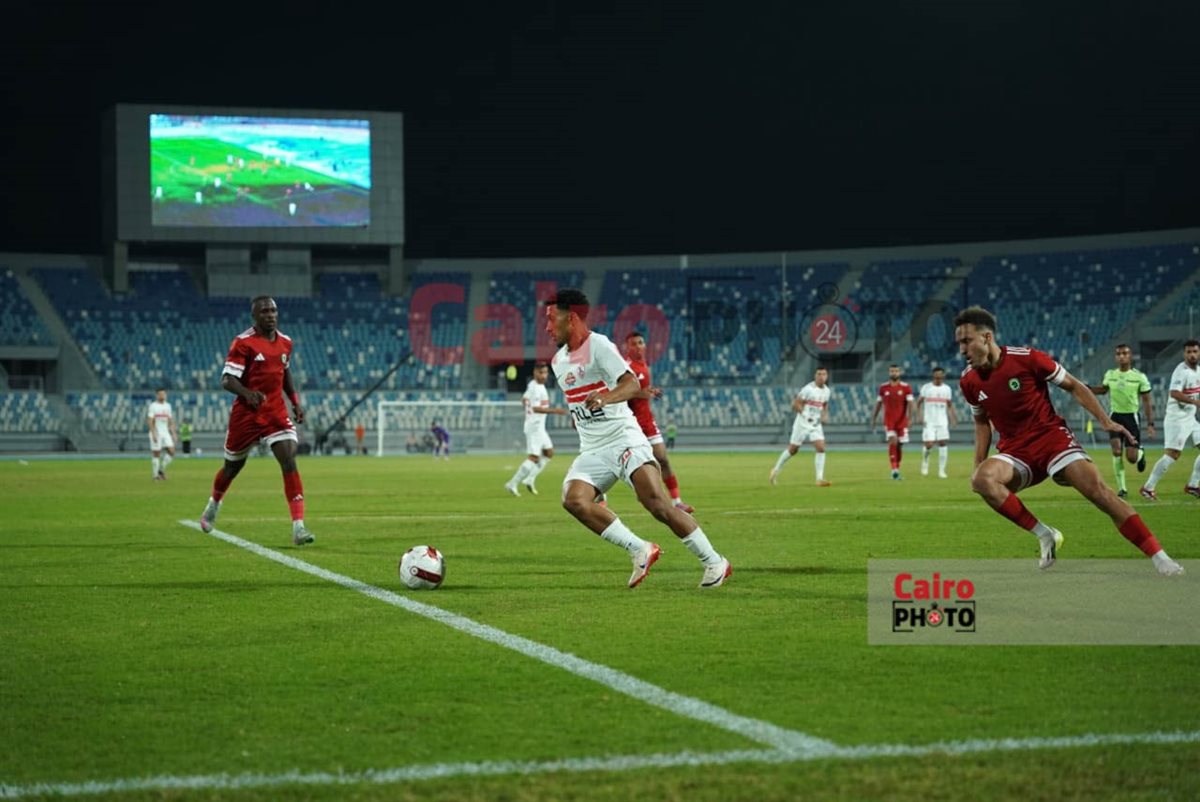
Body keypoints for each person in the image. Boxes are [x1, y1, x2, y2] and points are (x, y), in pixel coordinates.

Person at [954, 306, 1182, 575]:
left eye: (967, 341)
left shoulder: (1027, 358)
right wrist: (979, 464)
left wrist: (1105, 420)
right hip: (1016, 450)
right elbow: (982, 423)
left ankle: (1159, 556)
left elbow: (1074, 385)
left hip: (1051, 438)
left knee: (1099, 492)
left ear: (987, 337)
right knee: (982, 480)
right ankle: (1045, 534)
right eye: (959, 343)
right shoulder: (968, 381)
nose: (962, 350)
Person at [544, 288, 731, 588]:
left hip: (624, 439)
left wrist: (605, 398)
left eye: (552, 319)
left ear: (573, 318)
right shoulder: (557, 362)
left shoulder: (599, 346)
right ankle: (640, 548)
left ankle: (715, 562)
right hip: (592, 449)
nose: (547, 327)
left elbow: (630, 384)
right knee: (573, 500)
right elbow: (579, 404)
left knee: (658, 505)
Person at [198, 296, 315, 546]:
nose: (270, 315)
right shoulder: (244, 343)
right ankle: (213, 504)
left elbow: (285, 373)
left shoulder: (286, 342)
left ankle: (299, 527)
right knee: (232, 468)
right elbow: (227, 379)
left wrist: (295, 402)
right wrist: (247, 393)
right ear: (255, 316)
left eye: (273, 310)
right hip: (247, 414)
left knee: (289, 459)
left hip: (275, 411)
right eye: (264, 311)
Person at [623, 331, 694, 513]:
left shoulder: (643, 365)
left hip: (647, 420)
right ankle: (602, 497)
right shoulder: (626, 368)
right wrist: (643, 393)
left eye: (641, 343)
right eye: (634, 344)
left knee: (663, 459)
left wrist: (649, 391)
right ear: (627, 347)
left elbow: (640, 391)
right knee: (632, 464)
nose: (638, 347)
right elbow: (622, 393)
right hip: (631, 423)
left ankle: (677, 501)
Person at [1088, 344, 1155, 498]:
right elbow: (1103, 390)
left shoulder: (1139, 377)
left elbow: (1146, 401)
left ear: (1130, 356)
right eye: (1118, 354)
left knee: (1131, 458)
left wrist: (1150, 424)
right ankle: (1122, 489)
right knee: (1116, 451)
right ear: (1115, 357)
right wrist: (1086, 388)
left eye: (1125, 353)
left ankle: (1140, 454)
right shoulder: (1110, 374)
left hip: (1131, 418)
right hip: (1115, 417)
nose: (1121, 356)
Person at [1140, 339, 1200, 500]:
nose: (1192, 355)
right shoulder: (1181, 371)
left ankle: (1193, 485)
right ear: (1184, 354)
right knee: (1172, 455)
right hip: (1177, 419)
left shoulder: (1198, 371)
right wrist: (1195, 402)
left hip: (1191, 418)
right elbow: (1174, 393)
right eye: (1189, 352)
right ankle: (1148, 487)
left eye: (1195, 351)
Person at [505, 363, 567, 496]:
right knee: (533, 457)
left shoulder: (534, 385)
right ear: (535, 372)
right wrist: (554, 411)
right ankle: (512, 483)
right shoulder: (536, 388)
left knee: (549, 453)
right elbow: (535, 408)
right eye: (541, 373)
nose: (544, 375)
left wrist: (527, 404)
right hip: (534, 427)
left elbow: (524, 399)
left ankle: (530, 478)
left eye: (545, 373)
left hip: (539, 427)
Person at [769, 366, 832, 487]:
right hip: (802, 423)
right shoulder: (808, 389)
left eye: (824, 374)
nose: (821, 377)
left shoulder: (827, 391)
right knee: (793, 449)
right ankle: (775, 470)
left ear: (827, 376)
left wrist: (824, 415)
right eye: (819, 374)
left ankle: (819, 479)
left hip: (815, 423)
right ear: (815, 376)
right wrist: (804, 414)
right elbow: (795, 403)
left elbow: (824, 405)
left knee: (821, 448)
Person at [870, 364, 915, 479]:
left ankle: (897, 468)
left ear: (899, 373)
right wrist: (873, 418)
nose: (894, 373)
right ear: (889, 373)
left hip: (902, 421)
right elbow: (878, 404)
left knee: (899, 445)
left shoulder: (906, 387)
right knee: (893, 442)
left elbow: (910, 404)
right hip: (889, 421)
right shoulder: (883, 388)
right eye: (892, 371)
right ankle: (894, 469)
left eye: (896, 371)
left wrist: (910, 418)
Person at [917, 367, 958, 479]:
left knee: (942, 443)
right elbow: (919, 403)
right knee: (929, 444)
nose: (938, 377)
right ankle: (925, 462)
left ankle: (941, 471)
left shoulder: (947, 389)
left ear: (943, 376)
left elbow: (949, 405)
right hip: (929, 421)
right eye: (936, 375)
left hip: (942, 421)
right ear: (933, 376)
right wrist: (919, 416)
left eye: (940, 375)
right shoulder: (927, 388)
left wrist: (953, 417)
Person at [146, 387, 178, 480]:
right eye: (160, 394)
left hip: (165, 432)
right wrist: (153, 433)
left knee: (171, 451)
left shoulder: (168, 406)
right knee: (157, 453)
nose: (162, 396)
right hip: (156, 432)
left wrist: (174, 433)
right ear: (157, 395)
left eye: (164, 394)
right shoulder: (153, 406)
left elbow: (170, 421)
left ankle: (161, 469)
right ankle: (155, 476)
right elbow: (150, 420)